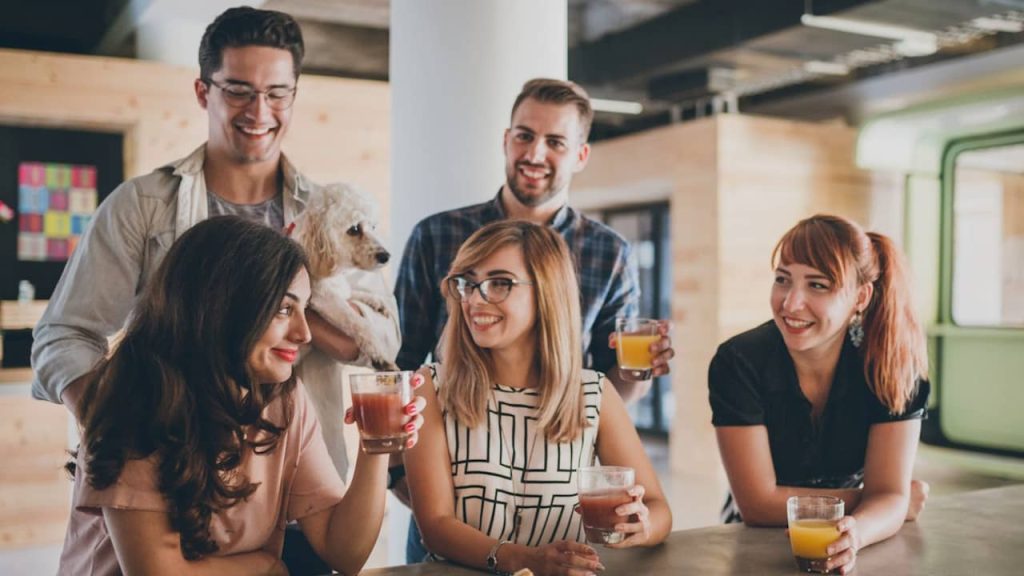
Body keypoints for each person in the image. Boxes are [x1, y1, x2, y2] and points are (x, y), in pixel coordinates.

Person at [31, 8, 398, 572]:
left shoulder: (333, 210)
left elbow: (379, 337)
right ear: (204, 92)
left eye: (278, 94)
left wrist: (306, 321)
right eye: (240, 91)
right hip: (176, 475)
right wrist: (122, 417)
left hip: (289, 470)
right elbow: (63, 334)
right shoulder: (143, 206)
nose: (260, 111)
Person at [393, 78, 674, 562]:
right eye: (524, 135)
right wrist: (413, 480)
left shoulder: (610, 253)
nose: (477, 299)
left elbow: (608, 391)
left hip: (560, 465)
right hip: (456, 492)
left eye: (555, 142)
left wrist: (634, 375)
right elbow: (397, 364)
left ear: (580, 155)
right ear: (506, 140)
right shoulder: (436, 234)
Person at [58, 216, 425, 575]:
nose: (304, 333)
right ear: (223, 305)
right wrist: (263, 565)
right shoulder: (135, 403)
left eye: (304, 308)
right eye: (284, 308)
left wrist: (375, 446)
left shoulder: (284, 401)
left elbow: (344, 553)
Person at [404, 220, 672, 575]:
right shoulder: (430, 387)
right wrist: (525, 561)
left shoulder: (593, 392)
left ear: (546, 291)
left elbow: (658, 509)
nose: (474, 300)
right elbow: (435, 526)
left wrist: (642, 525)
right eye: (468, 284)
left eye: (499, 283)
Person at [709, 214, 931, 575]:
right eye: (783, 280)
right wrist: (884, 501)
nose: (791, 303)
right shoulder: (738, 361)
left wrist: (861, 526)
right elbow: (756, 504)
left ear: (861, 296)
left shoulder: (894, 367)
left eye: (818, 285)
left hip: (854, 537)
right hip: (753, 538)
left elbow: (887, 499)